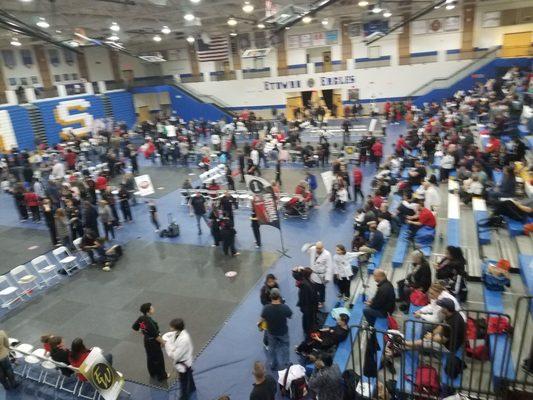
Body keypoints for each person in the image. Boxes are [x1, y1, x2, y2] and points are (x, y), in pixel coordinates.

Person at [132, 303, 168, 381]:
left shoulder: (141, 318)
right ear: (148, 311)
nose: (153, 309)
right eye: (152, 308)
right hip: (153, 342)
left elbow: (134, 328)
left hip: (147, 341)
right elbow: (156, 336)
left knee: (150, 357)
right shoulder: (149, 322)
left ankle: (153, 373)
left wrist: (145, 333)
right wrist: (163, 342)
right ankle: (162, 376)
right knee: (159, 359)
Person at [163, 318, 196, 400]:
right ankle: (192, 387)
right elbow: (167, 335)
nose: (170, 328)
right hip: (185, 362)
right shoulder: (178, 332)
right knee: (189, 374)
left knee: (183, 381)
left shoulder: (184, 339)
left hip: (183, 363)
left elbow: (176, 356)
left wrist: (168, 346)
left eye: (171, 327)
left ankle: (184, 397)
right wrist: (168, 342)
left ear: (175, 327)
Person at [260, 288, 292, 371]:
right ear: (279, 297)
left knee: (272, 348)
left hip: (271, 332)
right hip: (283, 332)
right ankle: (286, 364)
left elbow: (262, 320)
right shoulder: (285, 307)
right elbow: (290, 316)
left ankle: (273, 364)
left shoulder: (266, 308)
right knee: (285, 347)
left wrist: (260, 326)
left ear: (270, 297)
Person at [304, 242, 333, 308]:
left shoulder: (327, 254)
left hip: (321, 276)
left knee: (322, 291)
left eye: (320, 248)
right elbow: (306, 251)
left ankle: (321, 301)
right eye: (317, 248)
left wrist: (327, 278)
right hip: (313, 273)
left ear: (323, 247)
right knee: (313, 289)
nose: (318, 250)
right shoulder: (313, 249)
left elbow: (329, 267)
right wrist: (307, 247)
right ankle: (315, 299)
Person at [294, 267, 319, 338]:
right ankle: (308, 331)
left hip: (305, 305)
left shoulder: (304, 281)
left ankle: (306, 329)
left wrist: (296, 270)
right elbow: (310, 297)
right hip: (308, 306)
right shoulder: (306, 285)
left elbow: (296, 275)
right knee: (308, 318)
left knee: (305, 317)